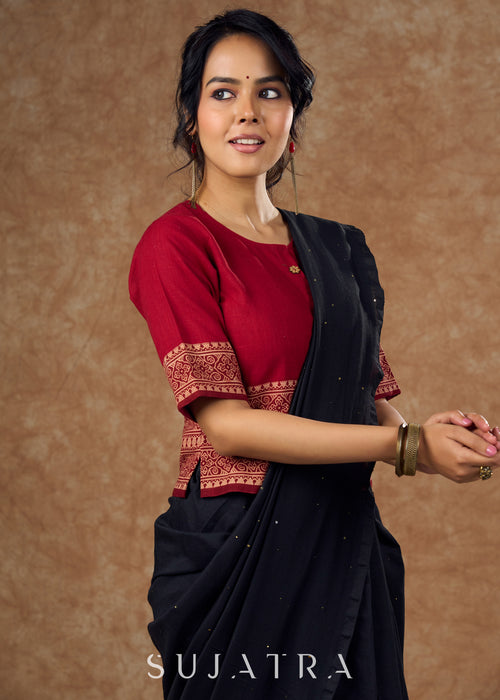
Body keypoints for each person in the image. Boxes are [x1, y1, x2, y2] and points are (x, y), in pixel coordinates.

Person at [129, 9, 499, 699]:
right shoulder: (176, 245)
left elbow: (365, 400)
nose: (247, 111)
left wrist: (437, 443)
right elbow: (228, 426)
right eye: (222, 92)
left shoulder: (339, 248)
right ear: (191, 118)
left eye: (269, 91)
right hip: (236, 542)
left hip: (343, 534)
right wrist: (406, 446)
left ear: (292, 118)